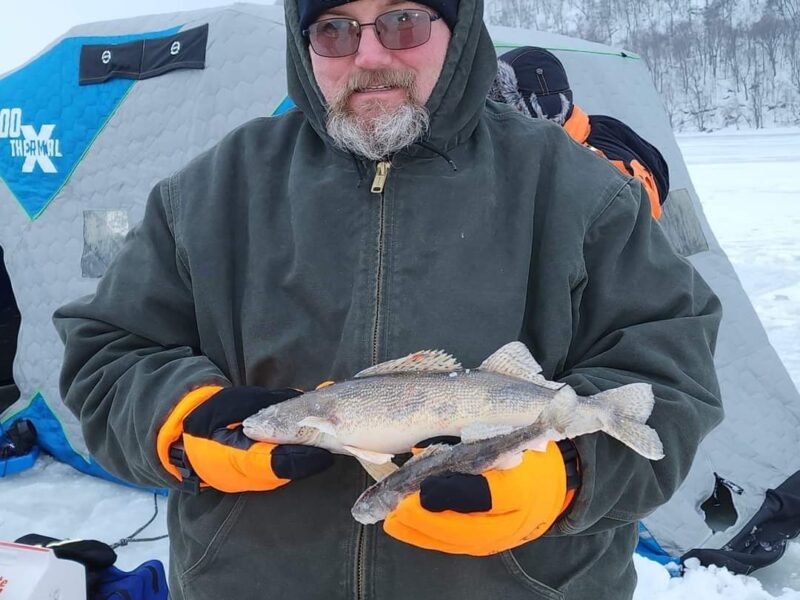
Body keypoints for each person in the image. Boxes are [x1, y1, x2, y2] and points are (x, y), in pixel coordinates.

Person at [53, 0, 723, 598]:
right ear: (303, 41)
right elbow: (108, 354)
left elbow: (671, 375)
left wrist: (567, 474)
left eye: (403, 21)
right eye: (335, 30)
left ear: (457, 30)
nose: (371, 58)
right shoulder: (211, 191)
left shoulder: (579, 189)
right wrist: (180, 420)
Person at [489, 46, 671, 220]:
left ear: (540, 111)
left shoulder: (604, 169)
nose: (495, 121)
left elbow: (634, 232)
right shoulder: (547, 152)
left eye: (503, 109)